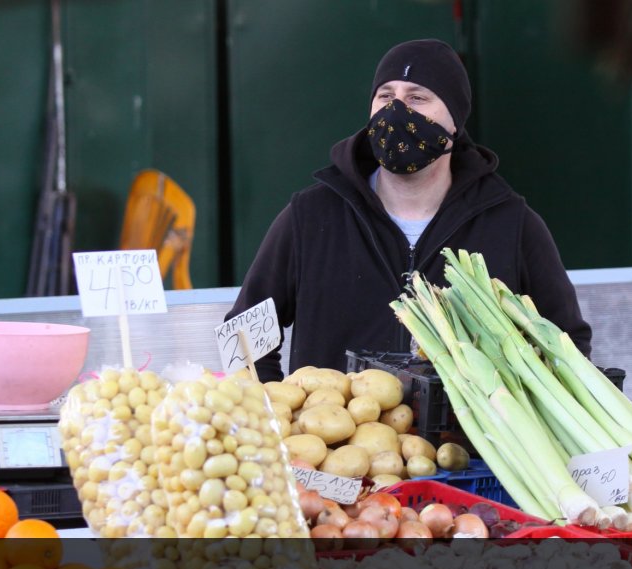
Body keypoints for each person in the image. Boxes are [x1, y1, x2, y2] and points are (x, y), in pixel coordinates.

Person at [226, 39, 592, 382]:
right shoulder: (310, 217)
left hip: (465, 449)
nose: (396, 110)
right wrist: (278, 419)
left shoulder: (511, 223)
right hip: (335, 445)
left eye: (417, 98)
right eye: (386, 95)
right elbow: (241, 337)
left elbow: (567, 343)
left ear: (454, 122)